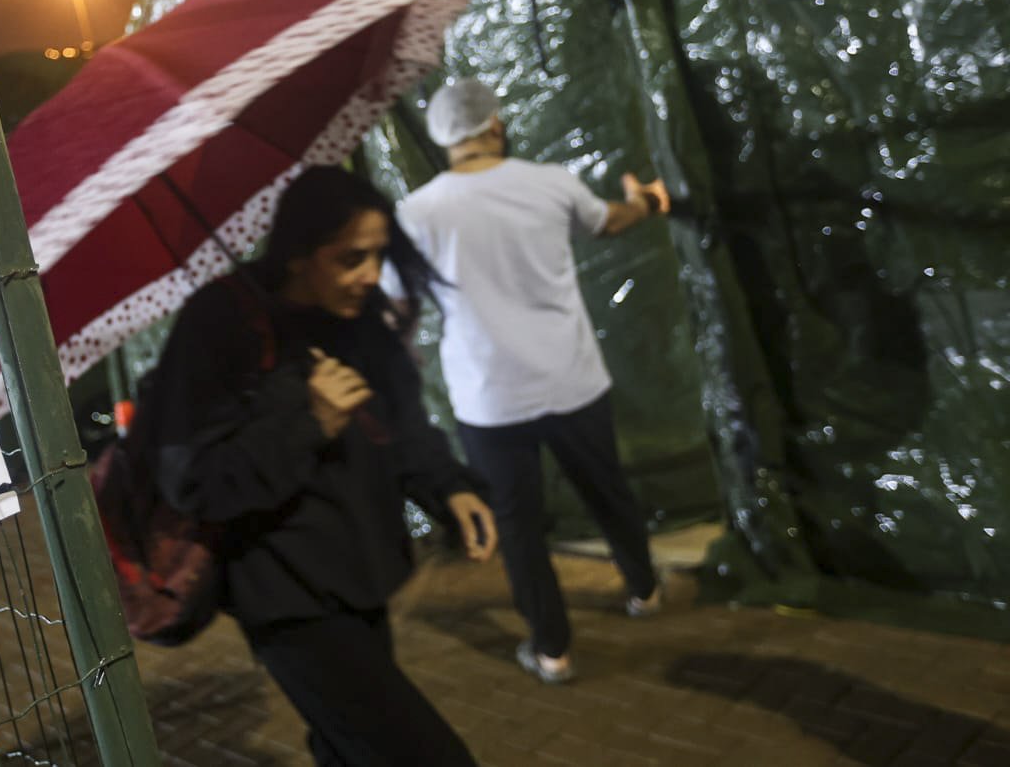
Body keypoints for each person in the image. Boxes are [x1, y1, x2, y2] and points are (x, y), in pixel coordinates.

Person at [148, 164, 497, 767]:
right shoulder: (221, 322)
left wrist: (449, 488)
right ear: (297, 255)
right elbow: (194, 480)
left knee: (345, 747)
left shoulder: (358, 320)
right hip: (288, 597)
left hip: (362, 573)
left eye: (377, 256)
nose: (370, 276)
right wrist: (309, 421)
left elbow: (403, 424)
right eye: (350, 258)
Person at [395, 78, 669, 686]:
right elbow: (608, 223)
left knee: (518, 526)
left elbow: (396, 308)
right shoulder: (550, 182)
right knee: (607, 492)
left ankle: (552, 650)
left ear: (444, 140)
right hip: (571, 378)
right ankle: (645, 591)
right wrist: (647, 200)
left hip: (490, 400)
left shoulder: (416, 213)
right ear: (493, 125)